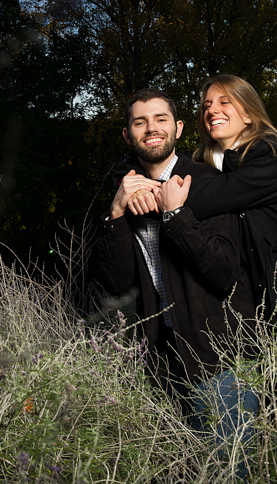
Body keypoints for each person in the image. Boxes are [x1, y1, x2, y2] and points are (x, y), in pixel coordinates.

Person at [96, 88, 259, 477]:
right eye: (140, 122)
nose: (151, 129)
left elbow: (222, 273)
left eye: (160, 119)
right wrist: (117, 212)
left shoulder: (207, 184)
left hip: (222, 361)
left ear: (178, 128)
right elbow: (117, 285)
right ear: (128, 135)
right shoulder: (125, 192)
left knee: (228, 473)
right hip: (164, 365)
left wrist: (175, 214)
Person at [145, 75, 277, 339]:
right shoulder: (210, 166)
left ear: (248, 114)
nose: (212, 110)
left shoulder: (268, 157)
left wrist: (146, 189)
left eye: (225, 102)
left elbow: (214, 195)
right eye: (207, 105)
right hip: (249, 312)